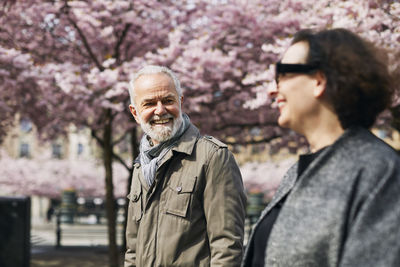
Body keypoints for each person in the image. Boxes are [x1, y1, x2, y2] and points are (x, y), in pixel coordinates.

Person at [242, 28, 400, 267]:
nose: (271, 91)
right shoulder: (296, 173)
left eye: (282, 76)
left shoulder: (379, 171)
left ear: (319, 81)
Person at [125, 65, 246, 267]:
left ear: (181, 102)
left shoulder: (212, 157)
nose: (160, 110)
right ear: (135, 113)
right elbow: (133, 250)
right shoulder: (141, 166)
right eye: (149, 104)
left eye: (168, 100)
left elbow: (227, 247)